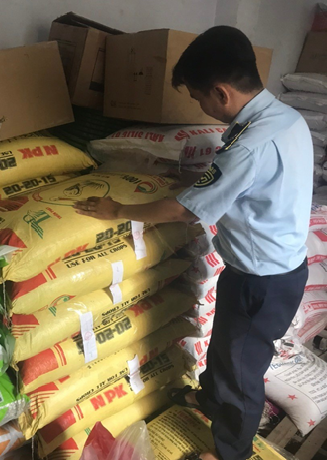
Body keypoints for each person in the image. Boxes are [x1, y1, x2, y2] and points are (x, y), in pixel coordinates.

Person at [74, 26, 312, 460]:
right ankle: (210, 399)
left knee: (241, 370)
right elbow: (241, 183)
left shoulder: (249, 145)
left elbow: (185, 211)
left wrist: (117, 209)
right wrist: (192, 179)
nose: (201, 108)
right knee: (224, 347)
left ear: (221, 93)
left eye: (199, 98)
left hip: (263, 281)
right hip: (269, 271)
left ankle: (231, 451)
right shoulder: (285, 118)